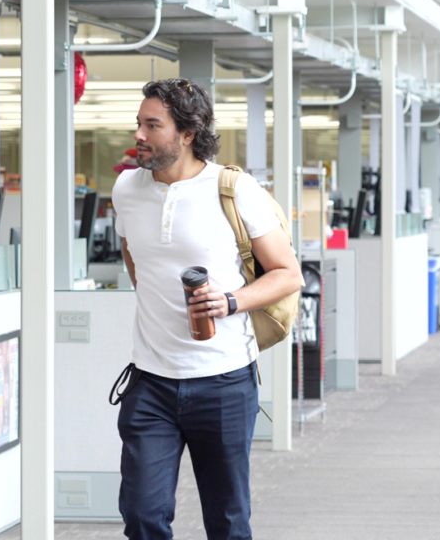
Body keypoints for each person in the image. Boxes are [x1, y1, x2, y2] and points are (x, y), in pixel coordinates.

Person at [111, 78, 304, 540]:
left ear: (188, 133)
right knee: (142, 515)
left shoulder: (234, 189)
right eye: (138, 123)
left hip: (223, 381)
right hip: (151, 382)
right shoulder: (126, 189)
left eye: (152, 125)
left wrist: (230, 300)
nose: (139, 134)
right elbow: (134, 256)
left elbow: (287, 274)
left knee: (228, 521)